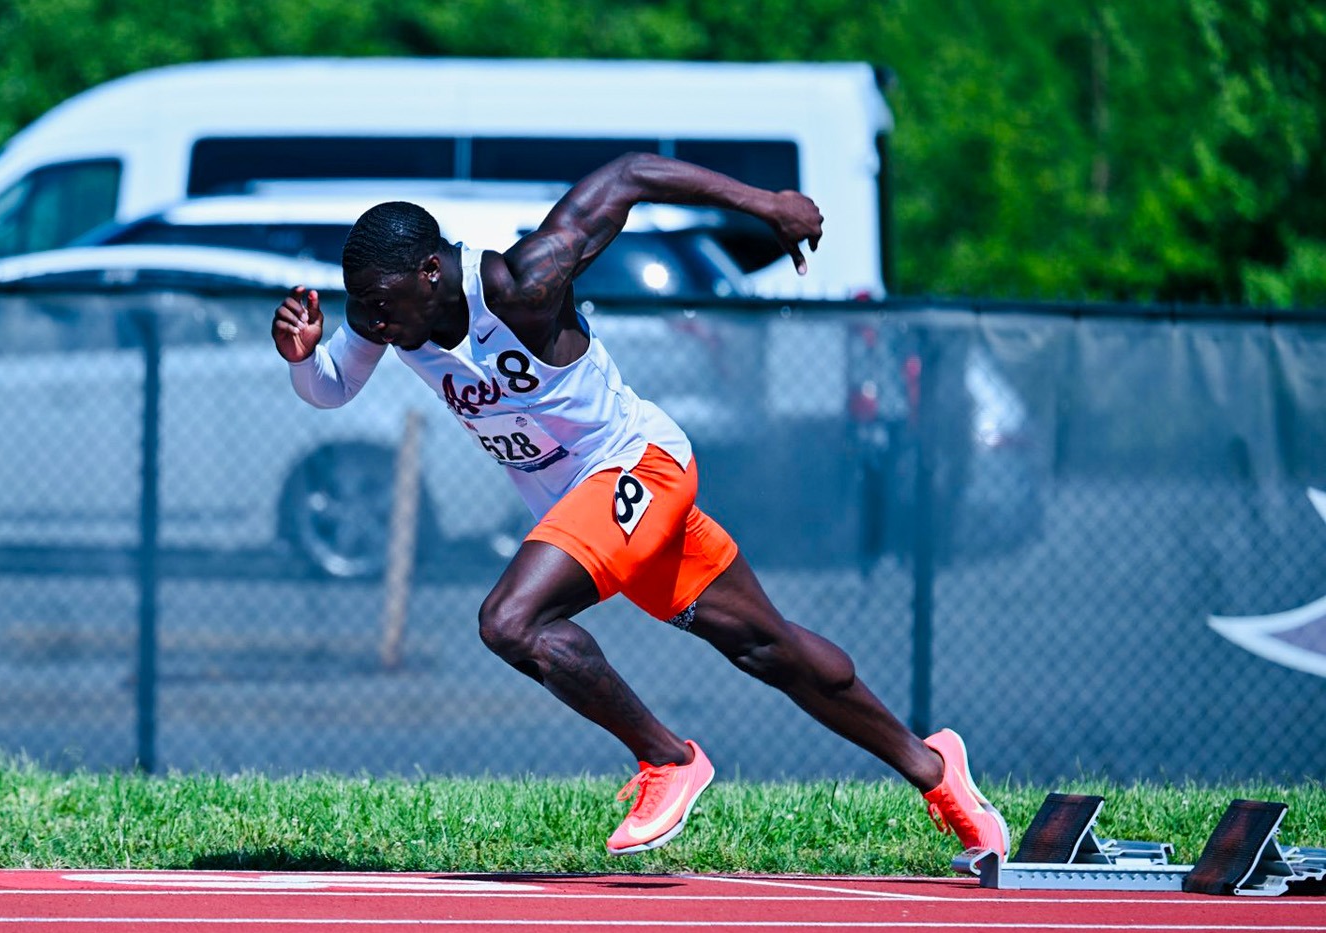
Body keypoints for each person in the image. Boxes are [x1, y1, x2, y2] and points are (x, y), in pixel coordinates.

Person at [270, 152, 1009, 857]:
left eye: (379, 307)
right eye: (360, 310)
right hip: (592, 511)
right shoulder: (387, 314)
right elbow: (333, 388)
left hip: (638, 467)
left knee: (510, 621)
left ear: (431, 273)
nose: (370, 323)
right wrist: (305, 359)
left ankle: (669, 759)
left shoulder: (521, 283)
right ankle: (939, 772)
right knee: (765, 646)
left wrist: (768, 207)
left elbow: (629, 176)